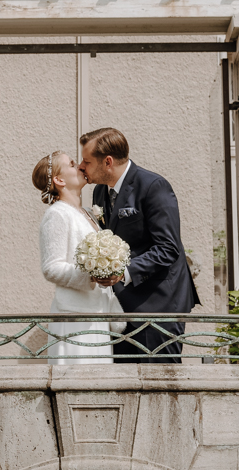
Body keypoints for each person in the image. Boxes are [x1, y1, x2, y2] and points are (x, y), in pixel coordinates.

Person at [78, 128, 199, 363]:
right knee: (125, 381)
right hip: (123, 306)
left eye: (87, 161)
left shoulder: (153, 186)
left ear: (108, 162)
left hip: (159, 303)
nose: (82, 167)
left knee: (159, 381)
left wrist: (123, 272)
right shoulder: (99, 192)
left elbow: (168, 247)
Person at [32, 150, 124, 365]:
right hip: (75, 318)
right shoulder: (57, 214)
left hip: (96, 313)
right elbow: (51, 267)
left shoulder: (87, 213)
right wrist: (91, 275)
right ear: (59, 180)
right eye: (72, 164)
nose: (81, 167)